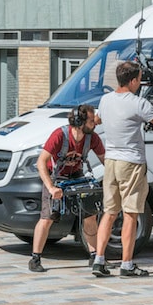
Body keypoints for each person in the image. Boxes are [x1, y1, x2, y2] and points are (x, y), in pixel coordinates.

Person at [92, 61, 153, 278]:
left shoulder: (105, 100)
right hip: (131, 164)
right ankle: (127, 264)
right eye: (140, 78)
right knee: (131, 215)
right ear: (133, 80)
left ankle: (99, 260)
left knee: (108, 213)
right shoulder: (138, 103)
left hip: (111, 162)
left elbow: (96, 120)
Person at [28, 104, 105, 272]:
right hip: (55, 177)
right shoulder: (59, 135)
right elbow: (41, 162)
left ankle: (94, 256)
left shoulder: (92, 138)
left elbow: (106, 160)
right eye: (92, 120)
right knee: (47, 217)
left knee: (89, 215)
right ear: (79, 122)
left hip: (76, 175)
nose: (96, 123)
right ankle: (35, 258)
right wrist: (50, 187)